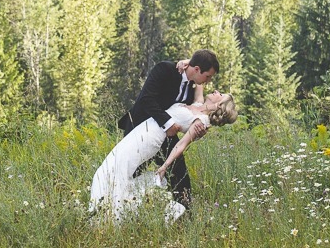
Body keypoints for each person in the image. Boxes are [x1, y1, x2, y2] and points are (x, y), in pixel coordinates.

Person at [90, 89, 237, 222]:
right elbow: (199, 78)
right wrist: (184, 63)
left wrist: (165, 166)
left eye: (221, 94)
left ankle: (107, 214)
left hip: (151, 139)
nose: (217, 91)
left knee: (116, 167)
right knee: (113, 165)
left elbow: (181, 145)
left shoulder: (202, 122)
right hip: (143, 129)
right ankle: (108, 210)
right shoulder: (198, 103)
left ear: (220, 105)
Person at [116, 49, 220, 211]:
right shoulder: (164, 69)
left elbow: (196, 108)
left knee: (179, 172)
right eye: (207, 76)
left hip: (166, 136)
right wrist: (168, 123)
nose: (208, 81)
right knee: (132, 171)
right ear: (197, 69)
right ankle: (119, 206)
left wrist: (198, 127)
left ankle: (184, 211)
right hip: (141, 130)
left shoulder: (194, 84)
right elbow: (146, 99)